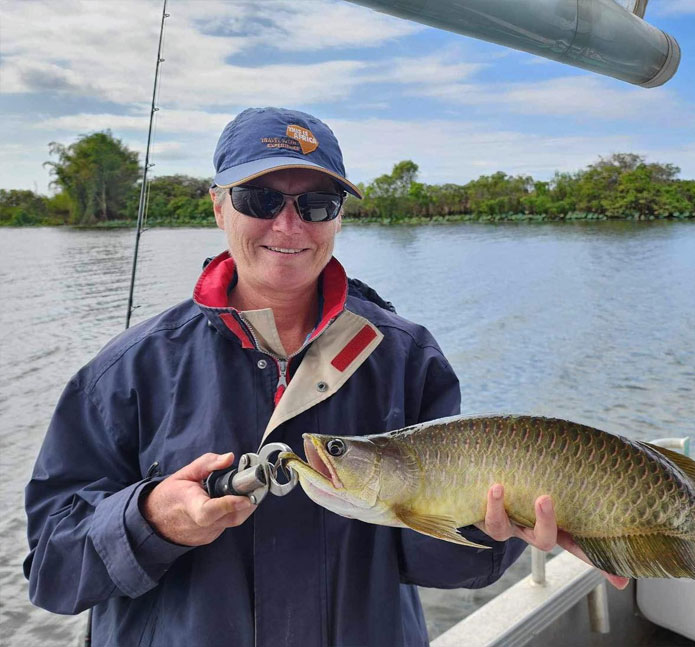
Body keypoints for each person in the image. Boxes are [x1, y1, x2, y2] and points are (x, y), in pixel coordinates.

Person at [24, 107, 626, 646]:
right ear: (217, 205)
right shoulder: (123, 372)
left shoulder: (405, 355)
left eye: (316, 205)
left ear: (337, 219)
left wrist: (493, 532)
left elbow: (442, 568)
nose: (289, 226)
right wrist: (151, 521)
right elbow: (52, 570)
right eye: (260, 199)